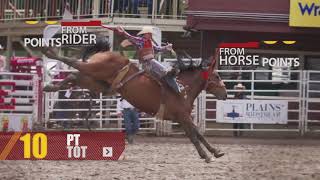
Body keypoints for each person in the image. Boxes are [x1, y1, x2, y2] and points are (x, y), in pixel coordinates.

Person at [115, 26, 181, 94]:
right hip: (147, 64)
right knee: (166, 72)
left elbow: (158, 49)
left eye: (151, 34)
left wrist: (166, 47)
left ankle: (171, 89)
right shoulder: (140, 41)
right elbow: (130, 37)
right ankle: (176, 89)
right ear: (145, 34)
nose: (151, 35)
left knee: (164, 76)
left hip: (150, 64)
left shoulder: (150, 42)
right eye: (149, 33)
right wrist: (124, 32)